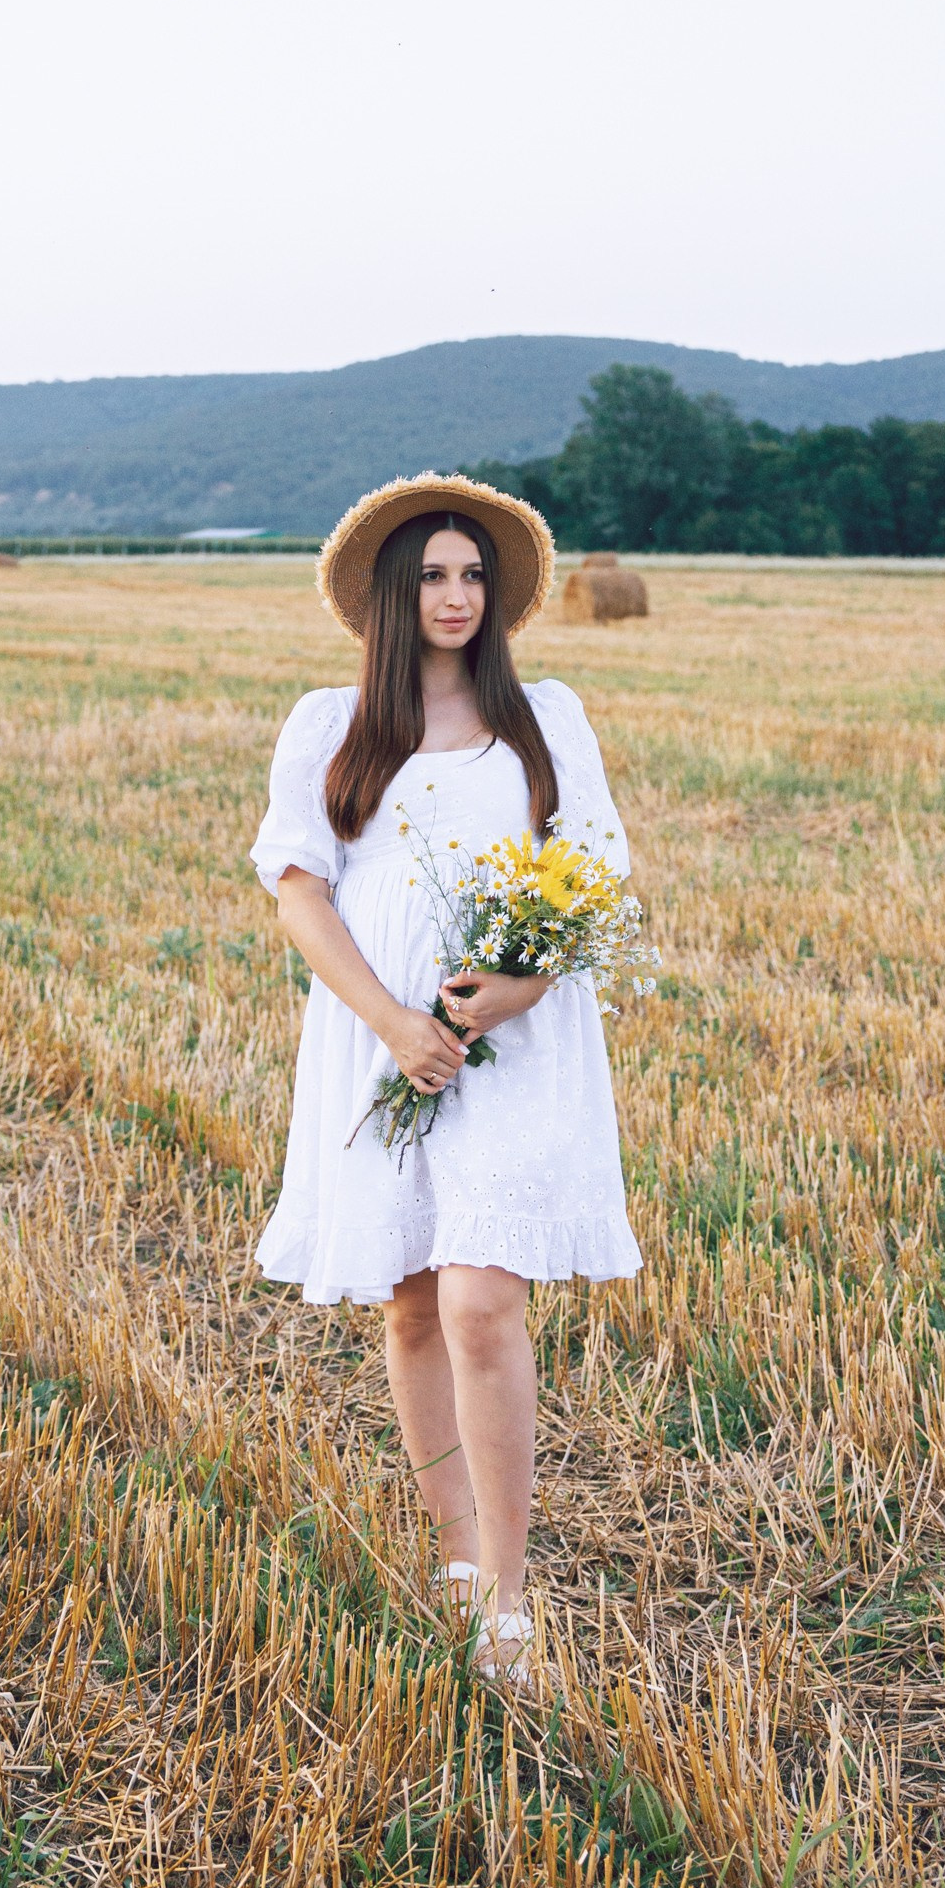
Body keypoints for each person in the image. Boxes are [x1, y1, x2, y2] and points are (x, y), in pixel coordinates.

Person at [251, 472, 642, 1687]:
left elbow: (593, 871)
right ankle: (459, 1557)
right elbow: (298, 888)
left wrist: (507, 990)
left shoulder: (546, 718)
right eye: (432, 575)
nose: (456, 595)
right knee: (412, 1304)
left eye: (473, 574)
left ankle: (510, 1604)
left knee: (480, 1302)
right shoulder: (329, 725)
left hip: (512, 1050)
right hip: (379, 1048)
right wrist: (390, 1023)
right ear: (388, 591)